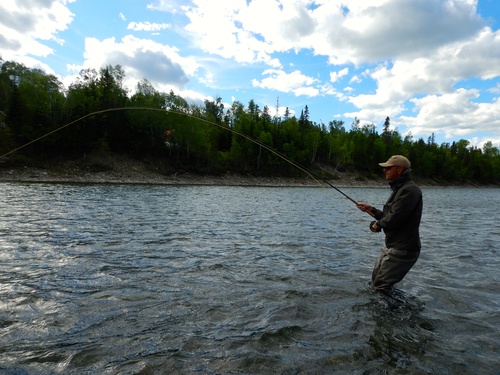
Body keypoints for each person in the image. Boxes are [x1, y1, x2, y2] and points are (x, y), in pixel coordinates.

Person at [357, 155, 423, 294]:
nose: (384, 171)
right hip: (394, 246)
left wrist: (378, 224)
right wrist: (372, 210)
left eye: (388, 168)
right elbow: (390, 216)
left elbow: (394, 219)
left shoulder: (409, 190)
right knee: (376, 282)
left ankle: (395, 313)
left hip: (403, 249)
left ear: (399, 169)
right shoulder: (400, 189)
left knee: (381, 287)